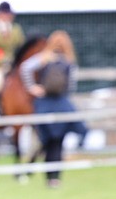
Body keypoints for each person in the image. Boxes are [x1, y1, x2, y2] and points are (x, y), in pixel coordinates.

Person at [21, 30, 86, 188]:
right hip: (61, 104)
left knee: (44, 141)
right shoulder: (69, 61)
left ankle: (30, 169)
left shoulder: (44, 58)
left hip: (44, 104)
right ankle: (53, 178)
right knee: (57, 142)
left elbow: (25, 68)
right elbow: (71, 86)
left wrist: (33, 87)